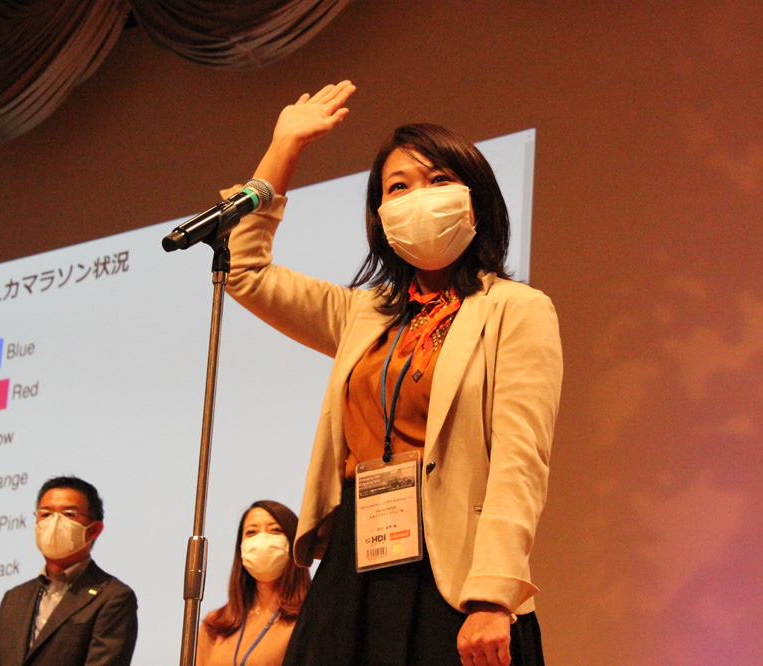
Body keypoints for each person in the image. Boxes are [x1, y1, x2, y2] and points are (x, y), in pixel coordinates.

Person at [219, 81, 563, 666]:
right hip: (356, 557)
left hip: (453, 570)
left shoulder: (516, 309)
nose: (417, 198)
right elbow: (244, 269)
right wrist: (284, 149)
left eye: (438, 180)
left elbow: (519, 462)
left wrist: (493, 595)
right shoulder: (363, 312)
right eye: (398, 187)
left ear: (476, 201)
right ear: (381, 217)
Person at [0, 476, 138, 666]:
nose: (54, 523)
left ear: (94, 530)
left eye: (68, 514)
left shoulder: (113, 597)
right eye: (46, 514)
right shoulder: (15, 598)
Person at [198, 500, 311, 666]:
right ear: (241, 548)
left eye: (275, 530)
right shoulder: (215, 624)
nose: (262, 539)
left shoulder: (309, 619)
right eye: (251, 532)